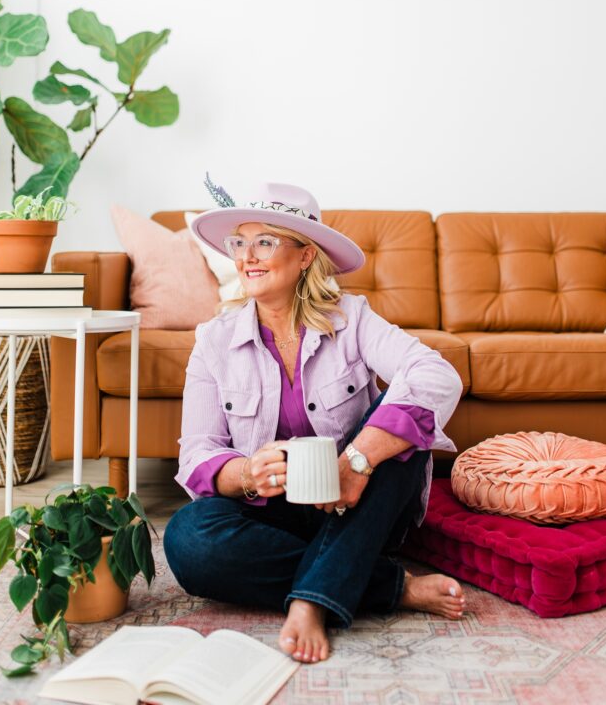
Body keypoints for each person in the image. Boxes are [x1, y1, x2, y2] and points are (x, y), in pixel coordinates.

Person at [164, 180, 466, 664]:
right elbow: (197, 451)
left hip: (357, 505)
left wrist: (357, 462)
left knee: (402, 429)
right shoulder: (213, 341)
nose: (247, 257)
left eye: (265, 241)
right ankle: (389, 586)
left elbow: (437, 376)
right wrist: (247, 474)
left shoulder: (353, 317)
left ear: (305, 256)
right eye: (239, 243)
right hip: (273, 513)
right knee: (188, 540)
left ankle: (310, 601)